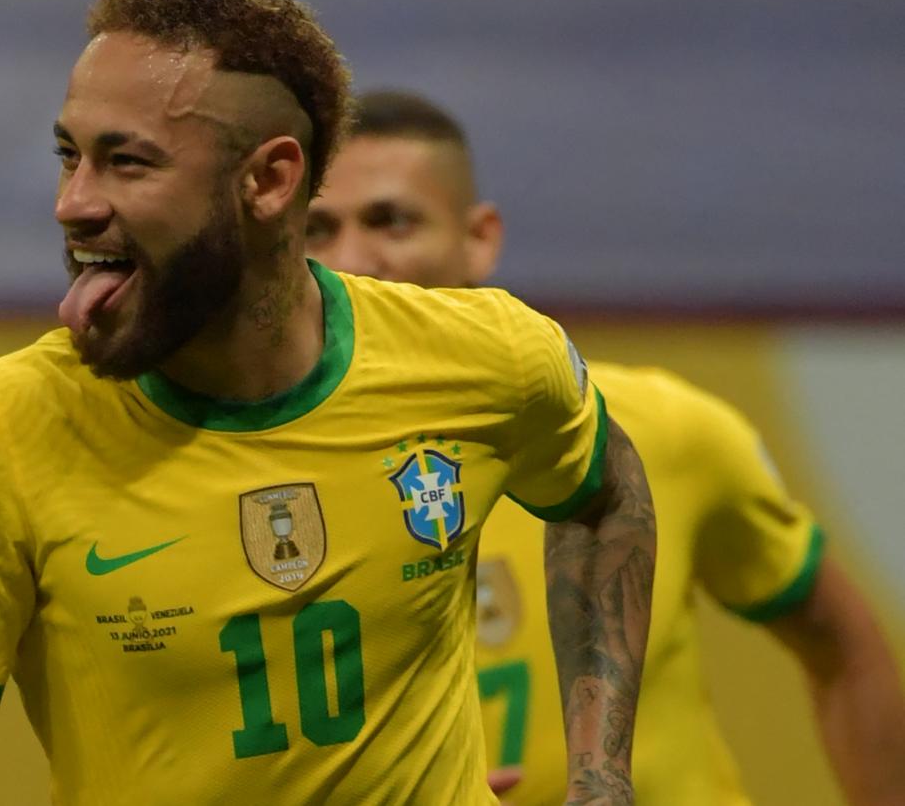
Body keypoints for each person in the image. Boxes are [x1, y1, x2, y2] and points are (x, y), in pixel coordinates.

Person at [0, 0, 657, 806]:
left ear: (269, 180)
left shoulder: (486, 357)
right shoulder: (8, 422)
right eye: (69, 155)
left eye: (127, 162)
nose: (74, 203)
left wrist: (600, 782)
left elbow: (606, 498)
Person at [306, 89, 905, 805]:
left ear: (480, 239)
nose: (355, 261)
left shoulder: (651, 429)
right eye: (316, 230)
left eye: (392, 221)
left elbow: (842, 645)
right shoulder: (268, 477)